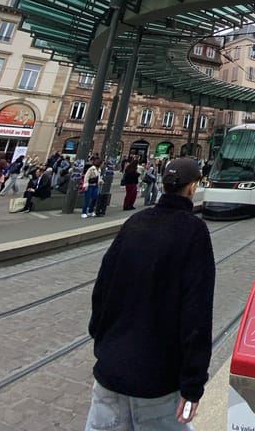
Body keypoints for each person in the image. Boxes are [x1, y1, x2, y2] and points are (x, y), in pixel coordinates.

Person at [85, 157, 215, 430]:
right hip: (157, 382)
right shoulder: (194, 231)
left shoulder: (134, 222)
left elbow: (102, 287)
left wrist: (103, 339)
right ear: (192, 188)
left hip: (109, 373)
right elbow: (197, 313)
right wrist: (193, 386)